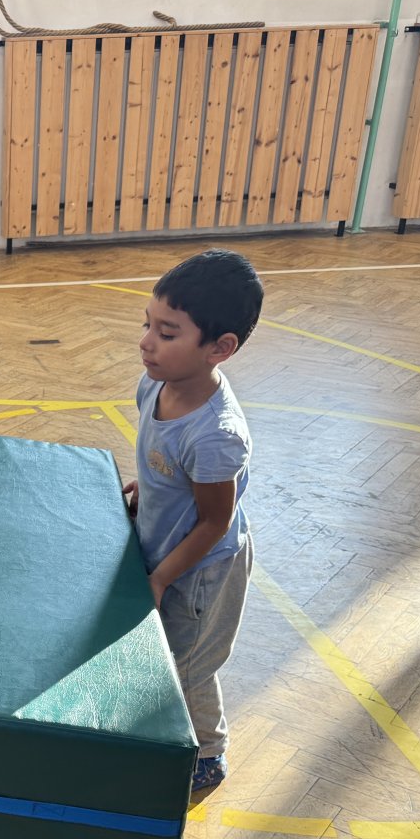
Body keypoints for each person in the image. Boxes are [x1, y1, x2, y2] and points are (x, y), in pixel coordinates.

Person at [125, 249, 261, 797]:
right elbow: (164, 459)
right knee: (164, 651)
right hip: (165, 544)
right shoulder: (154, 384)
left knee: (187, 664)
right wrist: (149, 487)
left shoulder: (217, 435)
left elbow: (213, 522)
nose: (147, 342)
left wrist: (162, 577)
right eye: (148, 324)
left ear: (219, 348)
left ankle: (207, 751)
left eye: (167, 333)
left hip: (205, 570)